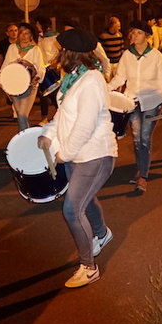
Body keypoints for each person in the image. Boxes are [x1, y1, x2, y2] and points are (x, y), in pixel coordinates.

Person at [38, 28, 117, 287]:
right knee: (85, 199)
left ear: (71, 53)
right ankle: (102, 234)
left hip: (95, 154)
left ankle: (89, 267)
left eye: (61, 49)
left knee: (72, 210)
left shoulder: (91, 81)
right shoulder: (74, 77)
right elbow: (62, 114)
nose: (58, 54)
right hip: (78, 153)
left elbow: (85, 125)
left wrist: (64, 154)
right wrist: (49, 134)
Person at [108, 21, 162, 193]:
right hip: (132, 101)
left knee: (145, 137)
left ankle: (143, 177)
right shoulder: (127, 55)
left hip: (152, 101)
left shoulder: (156, 56)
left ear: (147, 35)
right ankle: (141, 168)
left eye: (138, 33)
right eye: (132, 33)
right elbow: (120, 78)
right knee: (137, 138)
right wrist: (105, 88)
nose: (134, 36)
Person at [0, 22, 45, 132]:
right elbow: (5, 65)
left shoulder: (35, 50)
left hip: (30, 87)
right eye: (21, 33)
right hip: (14, 86)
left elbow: (41, 68)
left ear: (31, 35)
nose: (24, 36)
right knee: (21, 116)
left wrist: (37, 78)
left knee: (22, 114)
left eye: (27, 33)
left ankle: (23, 136)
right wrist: (1, 78)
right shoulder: (12, 48)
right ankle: (25, 135)